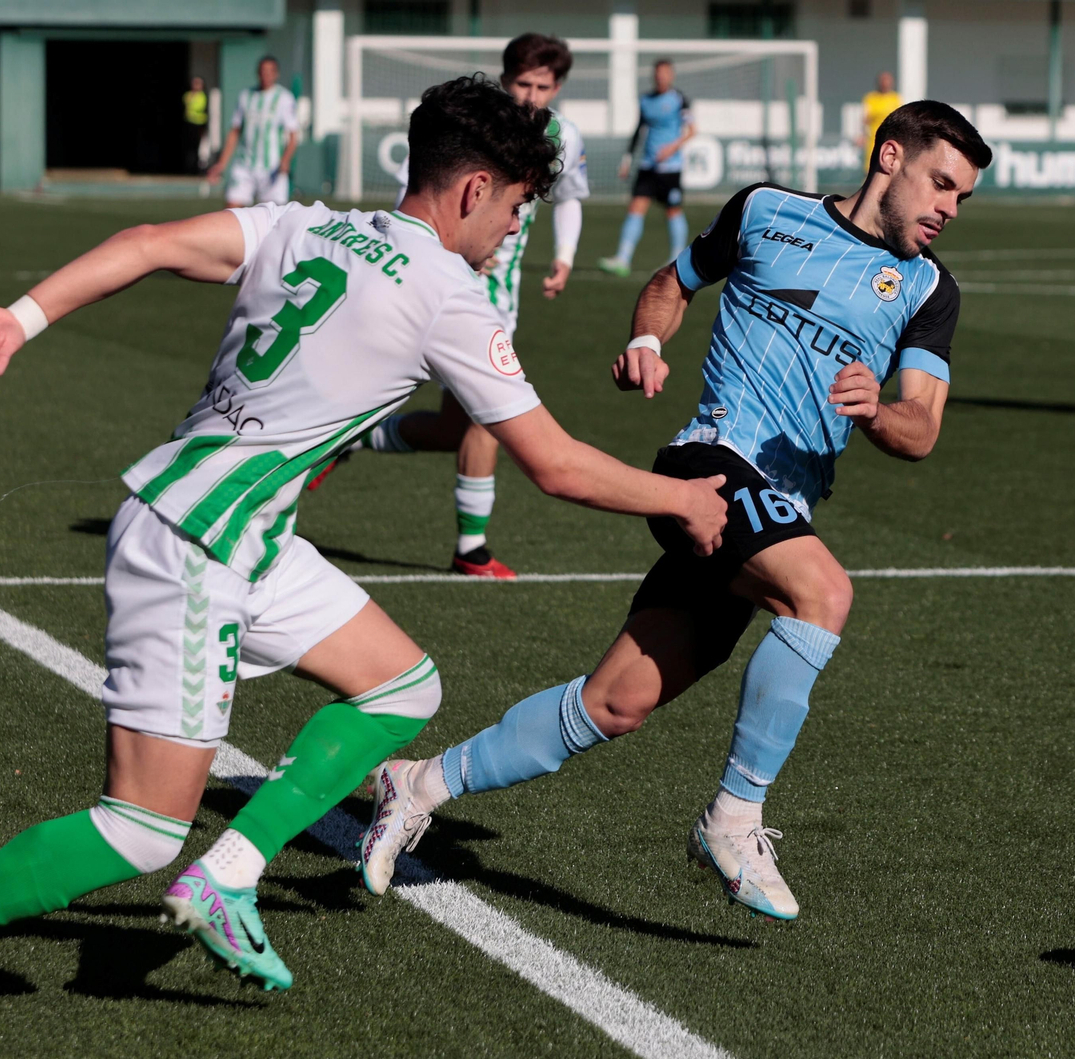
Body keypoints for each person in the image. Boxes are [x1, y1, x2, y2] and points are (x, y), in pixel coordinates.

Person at [0, 75, 726, 1036]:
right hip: (197, 547)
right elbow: (554, 463)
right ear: (474, 188)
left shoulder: (304, 223)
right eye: (515, 206)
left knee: (402, 687)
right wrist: (681, 496)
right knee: (140, 829)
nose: (514, 228)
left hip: (240, 534)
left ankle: (232, 870)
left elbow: (148, 243)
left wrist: (23, 316)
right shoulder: (448, 295)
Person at [360, 101, 991, 922]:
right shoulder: (765, 210)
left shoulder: (929, 289)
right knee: (823, 594)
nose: (949, 208)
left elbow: (922, 427)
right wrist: (648, 340)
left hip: (778, 508)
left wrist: (877, 412)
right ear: (891, 156)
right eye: (941, 183)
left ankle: (418, 782)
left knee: (613, 703)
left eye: (962, 197)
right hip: (711, 465)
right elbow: (672, 283)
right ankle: (733, 819)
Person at [308, 34, 591, 579]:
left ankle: (352, 438)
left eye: (542, 86)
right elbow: (413, 197)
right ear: (505, 79)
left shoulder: (563, 135)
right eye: (522, 83)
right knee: (489, 417)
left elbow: (571, 197)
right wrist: (446, 250)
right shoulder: (472, 129)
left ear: (557, 88)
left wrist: (564, 257)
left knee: (452, 429)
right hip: (440, 284)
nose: (530, 96)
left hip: (500, 296)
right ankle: (472, 548)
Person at [597, 59, 694, 276]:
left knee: (673, 210)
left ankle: (676, 260)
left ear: (671, 75)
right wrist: (627, 159)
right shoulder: (645, 100)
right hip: (648, 165)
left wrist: (672, 148)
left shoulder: (680, 100)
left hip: (671, 168)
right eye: (658, 73)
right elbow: (638, 130)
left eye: (665, 73)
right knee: (635, 208)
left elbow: (692, 130)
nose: (661, 77)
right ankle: (623, 259)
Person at [207, 56, 300, 207]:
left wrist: (285, 160)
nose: (266, 75)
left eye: (270, 71)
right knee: (231, 210)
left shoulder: (284, 98)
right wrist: (221, 163)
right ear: (258, 73)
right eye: (263, 71)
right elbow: (235, 131)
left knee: (272, 215)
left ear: (276, 74)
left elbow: (293, 135)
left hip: (272, 168)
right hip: (245, 164)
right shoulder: (246, 96)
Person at [859, 71, 902, 171]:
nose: (885, 83)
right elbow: (865, 118)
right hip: (873, 139)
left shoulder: (895, 98)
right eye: (883, 80)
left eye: (888, 81)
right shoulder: (871, 98)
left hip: (891, 138)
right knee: (872, 167)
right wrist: (862, 135)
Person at [183, 75, 210, 174]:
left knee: (201, 147)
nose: (196, 85)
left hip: (200, 125)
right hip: (189, 125)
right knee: (190, 148)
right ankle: (189, 167)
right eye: (194, 83)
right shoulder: (187, 95)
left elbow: (200, 108)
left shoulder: (203, 96)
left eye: (198, 83)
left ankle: (200, 168)